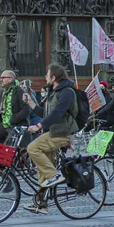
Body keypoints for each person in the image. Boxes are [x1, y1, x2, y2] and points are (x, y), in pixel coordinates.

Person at [22, 64, 78, 214]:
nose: (45, 77)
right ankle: (41, 203)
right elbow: (45, 112)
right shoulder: (53, 92)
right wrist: (30, 102)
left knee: (32, 148)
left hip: (63, 132)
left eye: (47, 75)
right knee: (43, 166)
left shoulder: (67, 92)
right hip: (54, 131)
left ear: (54, 77)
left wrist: (39, 126)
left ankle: (55, 175)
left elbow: (57, 114)